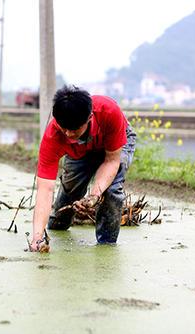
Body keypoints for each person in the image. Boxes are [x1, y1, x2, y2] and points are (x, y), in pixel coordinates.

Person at [30, 85, 136, 251]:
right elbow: (45, 189)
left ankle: (106, 246)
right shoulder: (55, 135)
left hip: (114, 142)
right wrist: (37, 237)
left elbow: (111, 161)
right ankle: (57, 226)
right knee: (70, 189)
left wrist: (94, 195)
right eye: (63, 128)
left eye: (74, 129)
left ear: (89, 118)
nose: (68, 134)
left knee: (111, 191)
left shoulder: (109, 112)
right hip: (78, 150)